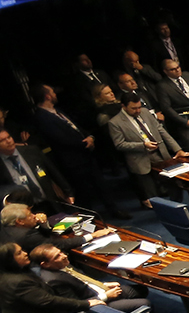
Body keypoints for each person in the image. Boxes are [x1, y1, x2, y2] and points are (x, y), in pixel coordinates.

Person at [30, 85, 124, 218]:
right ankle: (90, 219)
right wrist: (83, 143)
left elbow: (76, 127)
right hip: (72, 159)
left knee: (101, 184)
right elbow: (60, 139)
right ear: (47, 96)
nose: (55, 94)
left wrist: (90, 137)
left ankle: (114, 211)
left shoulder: (57, 110)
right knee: (83, 191)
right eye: (52, 92)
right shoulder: (41, 117)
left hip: (86, 153)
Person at [0, 242, 101, 313]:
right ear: (9, 260)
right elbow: (48, 301)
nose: (25, 253)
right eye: (19, 253)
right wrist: (87, 303)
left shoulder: (11, 275)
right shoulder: (18, 282)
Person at [107, 92, 189, 207]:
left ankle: (176, 206)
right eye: (133, 108)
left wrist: (177, 149)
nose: (137, 111)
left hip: (160, 154)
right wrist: (143, 145)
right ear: (123, 106)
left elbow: (161, 131)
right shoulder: (115, 123)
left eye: (139, 107)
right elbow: (120, 144)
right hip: (141, 160)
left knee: (174, 185)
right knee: (153, 195)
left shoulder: (145, 112)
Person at [30, 242, 146, 313]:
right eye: (57, 256)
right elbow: (74, 304)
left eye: (61, 253)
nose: (64, 256)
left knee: (141, 290)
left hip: (98, 290)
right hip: (95, 303)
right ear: (45, 264)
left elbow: (83, 280)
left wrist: (104, 285)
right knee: (144, 303)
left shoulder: (62, 264)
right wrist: (106, 296)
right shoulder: (54, 280)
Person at [0, 126, 76, 216]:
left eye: (9, 137)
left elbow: (53, 172)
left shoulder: (31, 151)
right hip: (26, 211)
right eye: (2, 140)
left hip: (49, 201)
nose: (8, 141)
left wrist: (68, 192)